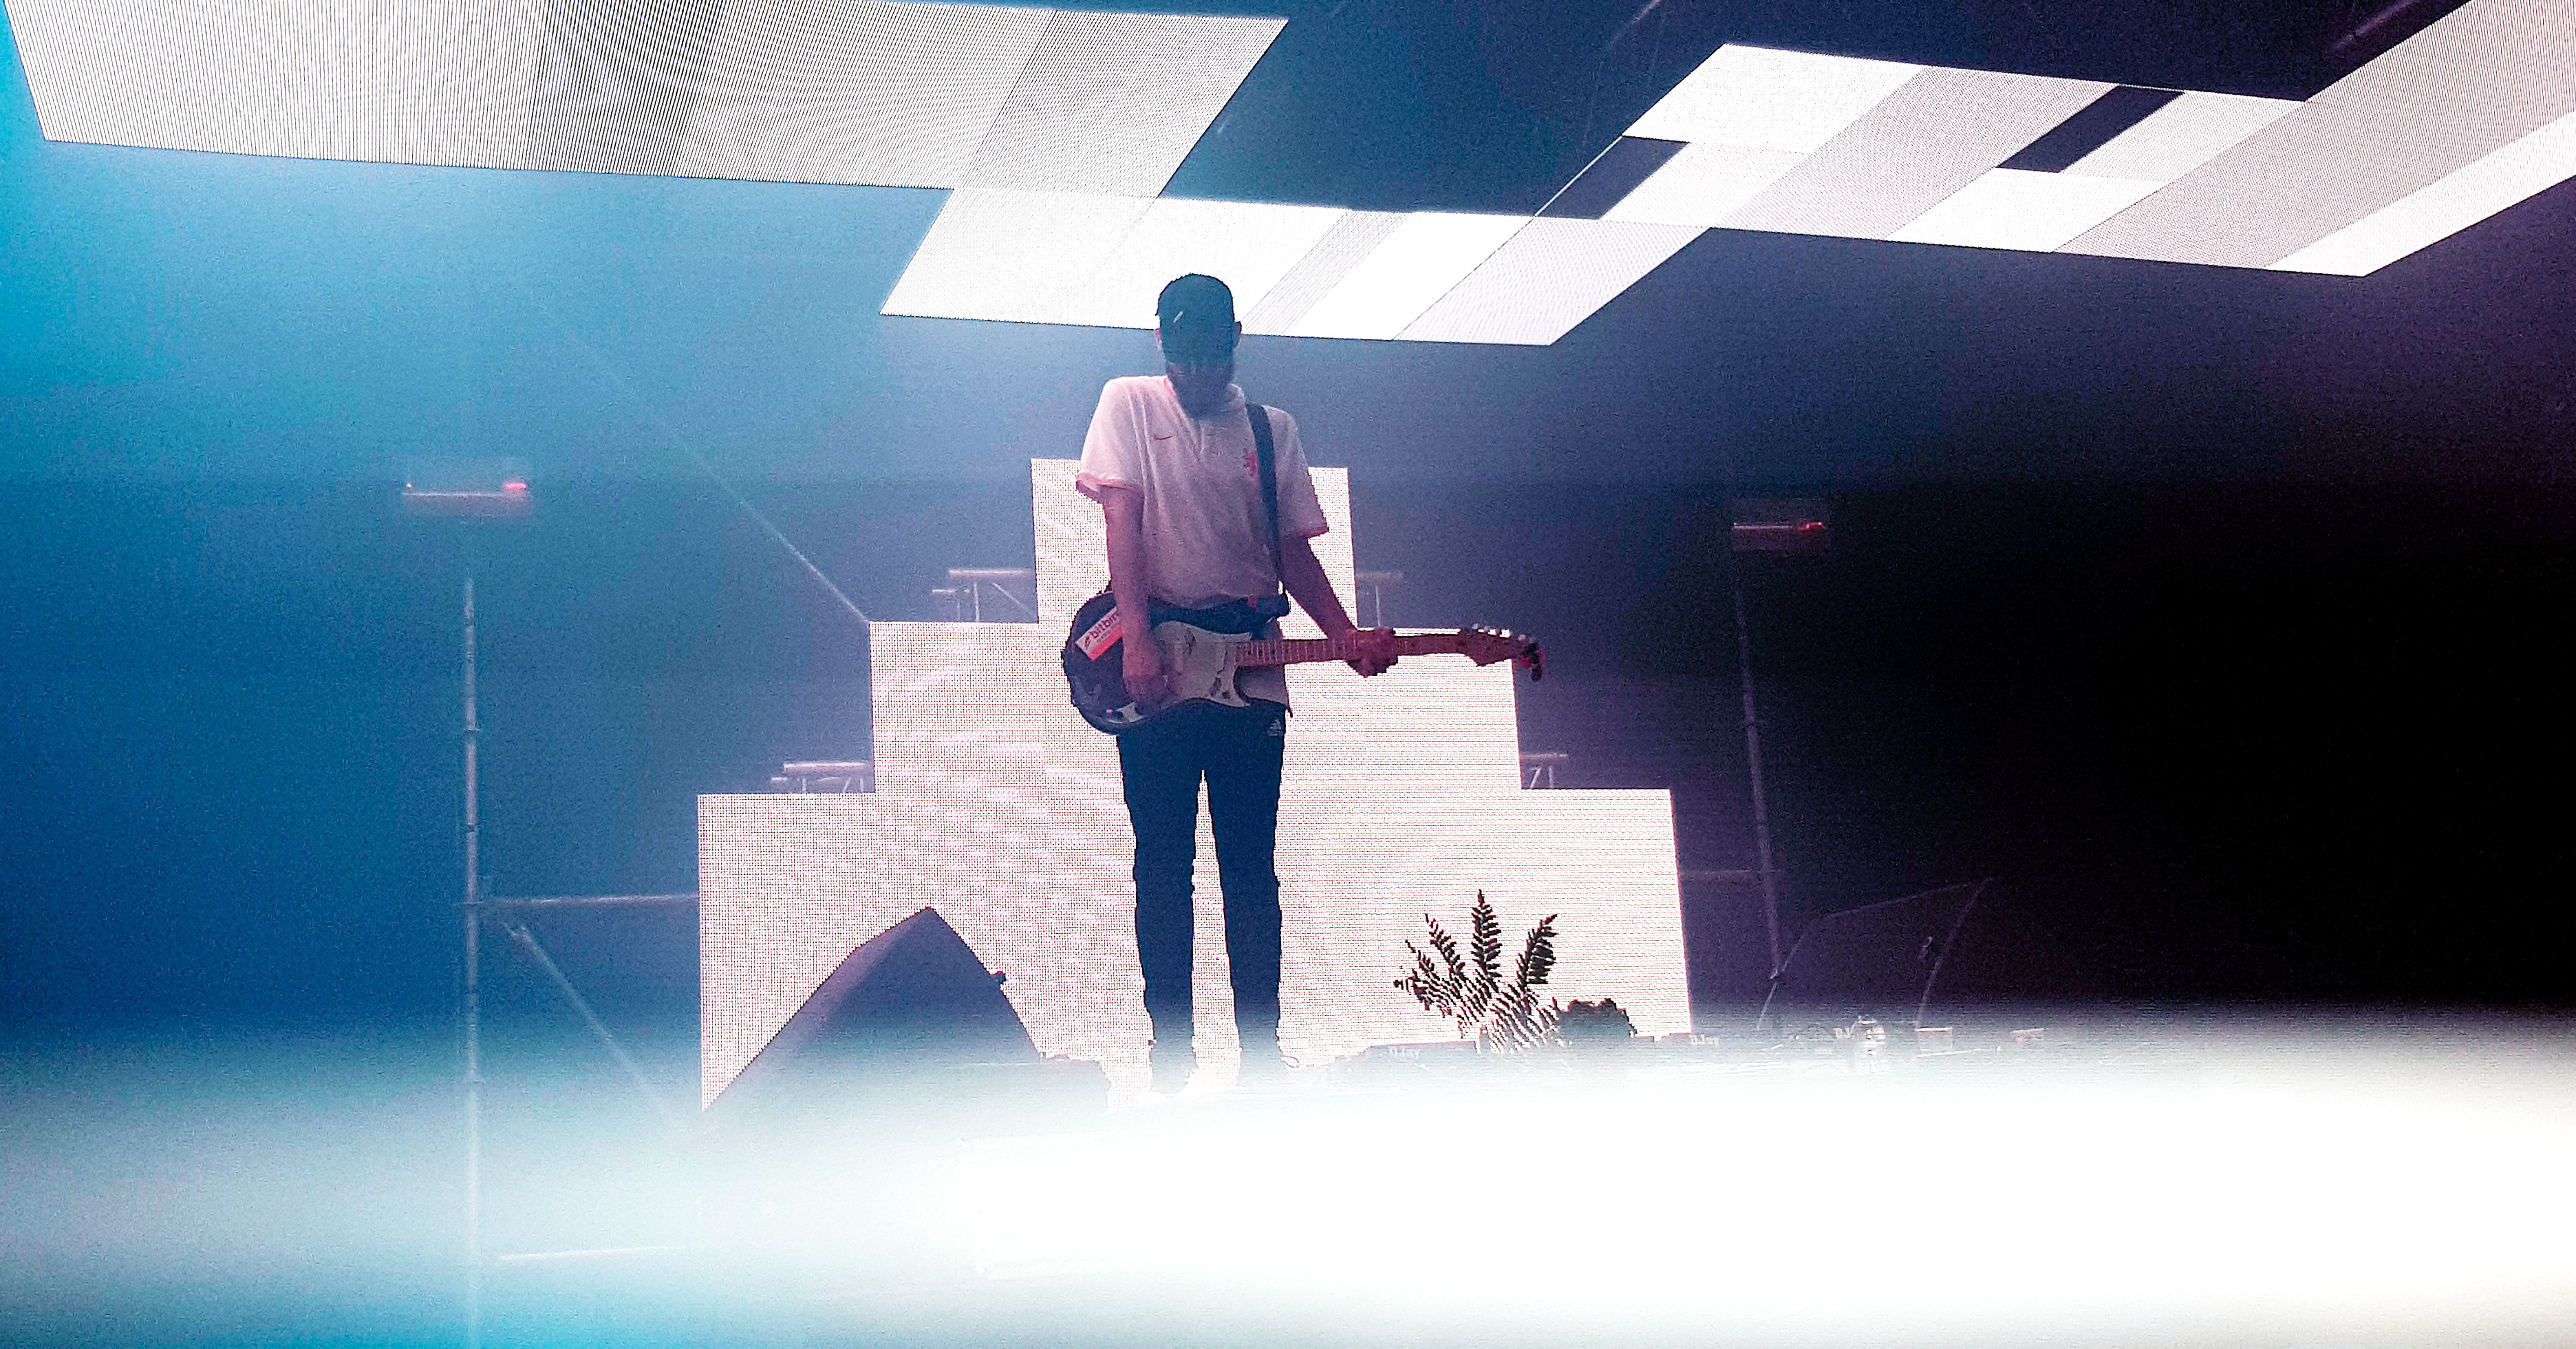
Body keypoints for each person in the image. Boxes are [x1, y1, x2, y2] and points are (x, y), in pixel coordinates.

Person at [1075, 274, 1397, 1095]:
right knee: (1162, 864)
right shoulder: (1127, 401)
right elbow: (1121, 521)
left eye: (1211, 355)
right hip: (1159, 660)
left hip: (1250, 664)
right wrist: (1137, 638)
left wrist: (1343, 635)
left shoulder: (1269, 428)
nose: (1196, 372)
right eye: (1183, 355)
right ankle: (1170, 1051)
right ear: (1162, 343)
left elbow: (1291, 551)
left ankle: (1261, 1053)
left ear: (1235, 342)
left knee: (1250, 867)